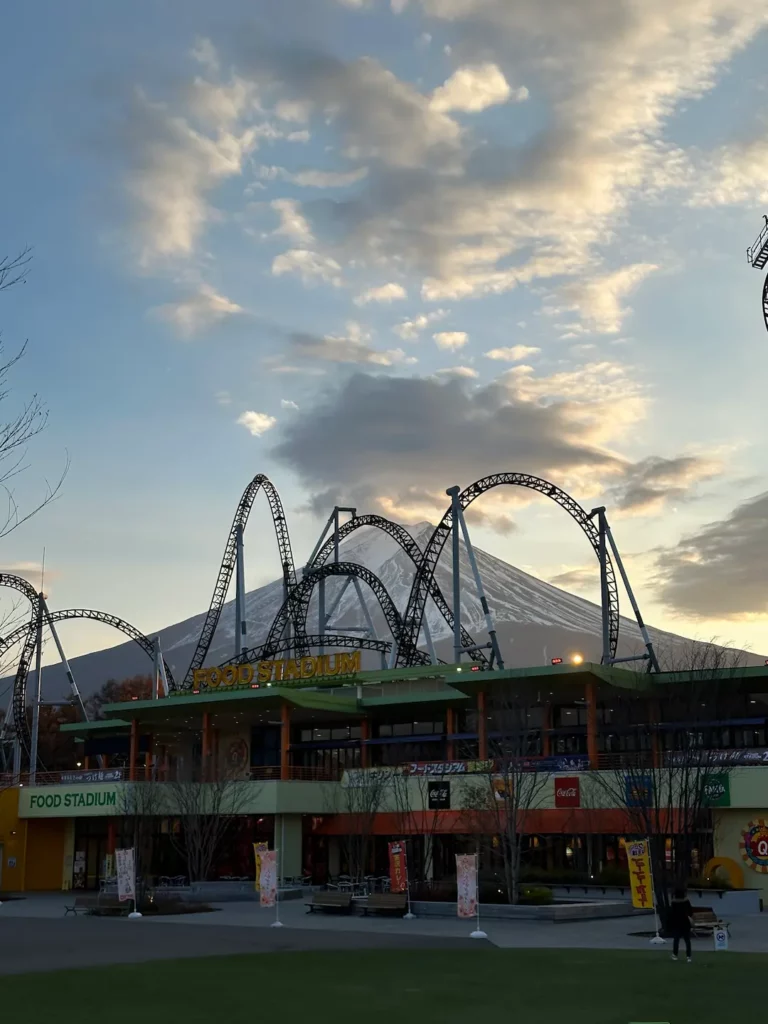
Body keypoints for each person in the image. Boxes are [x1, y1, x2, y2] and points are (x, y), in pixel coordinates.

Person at [668, 887, 694, 962]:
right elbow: (691, 912)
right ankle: (688, 956)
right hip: (685, 922)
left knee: (676, 940)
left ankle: (675, 955)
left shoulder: (673, 902)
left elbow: (671, 913)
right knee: (687, 940)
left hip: (676, 923)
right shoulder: (686, 901)